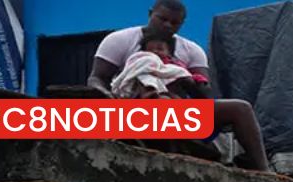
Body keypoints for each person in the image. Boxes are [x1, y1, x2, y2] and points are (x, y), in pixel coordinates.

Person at [88, 0, 271, 171]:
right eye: (163, 19)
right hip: (132, 110)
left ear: (182, 24)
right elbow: (96, 78)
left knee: (240, 108)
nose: (168, 25)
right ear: (150, 14)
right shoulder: (119, 40)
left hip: (179, 113)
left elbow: (205, 95)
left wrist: (184, 78)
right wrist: (109, 97)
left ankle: (264, 171)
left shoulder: (191, 51)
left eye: (175, 23)